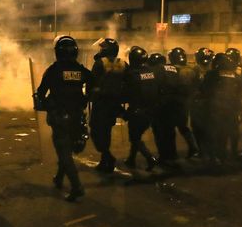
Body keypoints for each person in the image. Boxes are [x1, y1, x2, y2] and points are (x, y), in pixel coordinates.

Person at [36, 36, 93, 201]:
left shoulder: (53, 71)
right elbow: (95, 85)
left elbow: (40, 93)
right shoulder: (81, 70)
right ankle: (59, 179)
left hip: (60, 117)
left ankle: (76, 186)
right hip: (77, 117)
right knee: (66, 150)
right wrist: (84, 98)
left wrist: (45, 103)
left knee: (63, 152)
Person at [89, 38, 127, 173]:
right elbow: (128, 82)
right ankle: (105, 159)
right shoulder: (123, 63)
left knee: (95, 131)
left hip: (101, 104)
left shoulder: (100, 63)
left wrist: (89, 95)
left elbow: (91, 82)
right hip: (115, 104)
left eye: (102, 48)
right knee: (106, 132)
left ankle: (108, 157)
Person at [201, 52, 242, 164]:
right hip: (231, 108)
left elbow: (204, 90)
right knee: (225, 132)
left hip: (215, 108)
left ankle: (213, 156)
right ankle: (224, 155)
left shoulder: (212, 74)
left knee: (213, 132)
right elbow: (239, 92)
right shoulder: (235, 75)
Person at [123, 46, 159, 170]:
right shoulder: (151, 71)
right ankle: (131, 159)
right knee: (136, 135)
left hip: (138, 110)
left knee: (134, 137)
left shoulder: (132, 74)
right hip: (151, 110)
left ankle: (150, 158)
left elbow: (128, 93)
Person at [149, 52, 182, 164]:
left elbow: (154, 86)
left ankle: (164, 155)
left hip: (161, 103)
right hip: (174, 103)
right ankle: (173, 154)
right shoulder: (173, 68)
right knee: (170, 130)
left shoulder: (156, 69)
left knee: (159, 131)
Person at [169, 47, 200, 158]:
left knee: (170, 128)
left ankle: (172, 153)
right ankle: (194, 148)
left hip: (175, 101)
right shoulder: (191, 69)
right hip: (186, 102)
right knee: (183, 127)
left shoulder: (173, 70)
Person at [191, 48, 214, 159]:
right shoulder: (214, 69)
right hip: (211, 102)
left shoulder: (195, 69)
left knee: (198, 127)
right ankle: (209, 150)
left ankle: (202, 150)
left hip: (199, 102)